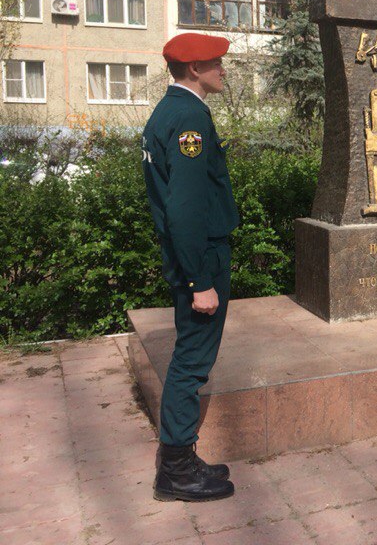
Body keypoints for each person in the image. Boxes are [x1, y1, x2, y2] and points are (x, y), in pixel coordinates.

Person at [141, 33, 240, 501]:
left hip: (194, 253)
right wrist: (200, 279)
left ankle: (181, 458)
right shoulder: (188, 118)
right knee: (192, 362)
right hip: (201, 257)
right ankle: (176, 470)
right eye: (216, 63)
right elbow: (183, 209)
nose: (223, 69)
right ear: (195, 69)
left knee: (192, 357)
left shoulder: (172, 111)